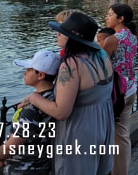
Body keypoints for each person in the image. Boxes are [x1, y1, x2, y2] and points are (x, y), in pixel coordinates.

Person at [29, 12, 115, 175]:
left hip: (80, 130)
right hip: (103, 122)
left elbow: (61, 111)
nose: (57, 34)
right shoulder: (101, 55)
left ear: (72, 37)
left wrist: (34, 97)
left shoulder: (71, 65)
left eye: (62, 32)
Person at [0, 50, 61, 174]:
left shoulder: (32, 109)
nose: (24, 73)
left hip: (24, 168)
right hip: (45, 165)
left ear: (41, 75)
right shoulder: (54, 98)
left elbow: (12, 146)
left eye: (28, 70)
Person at [102, 4, 137, 175]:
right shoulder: (131, 36)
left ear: (120, 18)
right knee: (122, 135)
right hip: (130, 87)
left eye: (110, 15)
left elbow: (99, 65)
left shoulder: (112, 40)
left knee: (118, 137)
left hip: (117, 92)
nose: (106, 17)